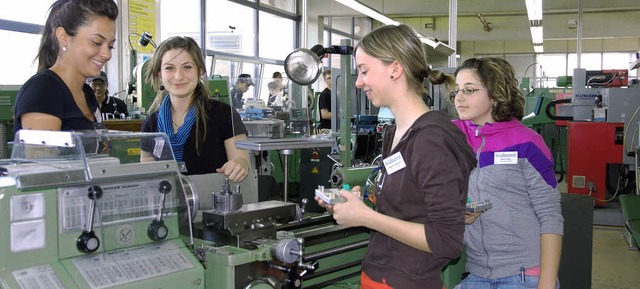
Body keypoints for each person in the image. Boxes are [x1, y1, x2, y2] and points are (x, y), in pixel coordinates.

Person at [314, 24, 476, 289]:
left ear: (395, 69)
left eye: (365, 71)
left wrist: (367, 218)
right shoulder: (395, 133)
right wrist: (359, 206)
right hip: (382, 276)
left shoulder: (431, 140)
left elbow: (446, 241)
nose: (358, 81)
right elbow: (407, 210)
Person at [451, 57, 563, 289]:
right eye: (457, 91)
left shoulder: (528, 142)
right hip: (476, 273)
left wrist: (547, 282)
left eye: (469, 90)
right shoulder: (453, 135)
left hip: (524, 275)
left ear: (495, 94)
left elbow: (550, 215)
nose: (459, 98)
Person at [140, 36, 249, 181]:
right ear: (160, 74)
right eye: (169, 68)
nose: (178, 76)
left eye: (187, 67)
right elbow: (147, 170)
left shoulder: (224, 115)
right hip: (168, 202)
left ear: (200, 71)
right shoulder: (150, 124)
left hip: (215, 200)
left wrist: (239, 165)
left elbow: (241, 159)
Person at [13, 0, 118, 133]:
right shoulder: (42, 92)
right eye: (96, 42)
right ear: (63, 37)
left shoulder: (87, 94)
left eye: (110, 46)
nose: (107, 54)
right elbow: (42, 153)